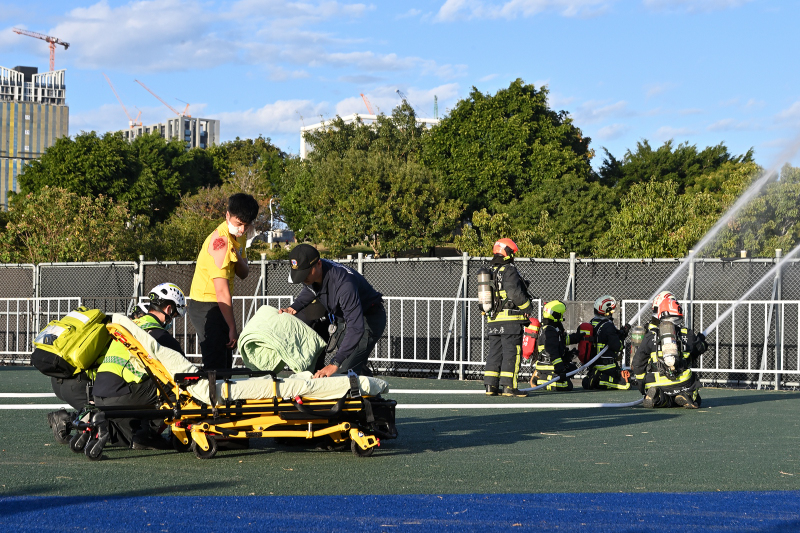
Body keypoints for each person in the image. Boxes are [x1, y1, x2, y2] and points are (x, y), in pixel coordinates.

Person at [93, 283, 187, 449]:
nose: (172, 320)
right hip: (121, 394)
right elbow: (184, 370)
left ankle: (96, 425)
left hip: (99, 394)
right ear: (168, 309)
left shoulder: (131, 326)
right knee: (176, 388)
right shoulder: (159, 335)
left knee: (127, 435)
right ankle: (148, 435)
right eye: (174, 315)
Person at [279, 244, 385, 378]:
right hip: (346, 318)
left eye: (305, 274)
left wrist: (334, 363)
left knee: (343, 372)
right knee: (354, 365)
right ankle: (369, 389)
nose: (303, 279)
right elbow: (310, 289)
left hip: (367, 319)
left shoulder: (344, 284)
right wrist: (293, 307)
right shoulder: (315, 273)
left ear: (318, 264)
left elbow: (356, 327)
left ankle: (367, 389)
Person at [187, 193, 259, 371]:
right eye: (239, 223)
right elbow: (221, 292)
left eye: (246, 225)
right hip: (206, 304)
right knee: (216, 367)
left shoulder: (240, 236)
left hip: (220, 304)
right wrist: (232, 327)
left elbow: (244, 273)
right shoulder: (220, 242)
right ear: (227, 215)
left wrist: (237, 258)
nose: (242, 229)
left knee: (225, 366)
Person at [632, 296, 708, 409]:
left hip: (656, 381)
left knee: (661, 397)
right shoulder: (687, 334)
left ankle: (658, 397)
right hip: (682, 382)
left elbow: (638, 363)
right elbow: (700, 349)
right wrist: (700, 340)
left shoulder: (650, 335)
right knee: (696, 398)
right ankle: (686, 395)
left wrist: (641, 384)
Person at [482, 238, 534, 397]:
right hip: (510, 321)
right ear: (508, 253)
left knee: (495, 353)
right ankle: (509, 387)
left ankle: (491, 387)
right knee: (512, 353)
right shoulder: (509, 270)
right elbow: (514, 293)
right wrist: (527, 307)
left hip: (493, 319)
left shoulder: (489, 270)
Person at [532, 300, 584, 391]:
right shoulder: (549, 331)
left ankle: (545, 377)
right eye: (561, 314)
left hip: (549, 364)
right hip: (549, 364)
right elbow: (552, 351)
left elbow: (562, 340)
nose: (562, 316)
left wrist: (577, 337)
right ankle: (543, 380)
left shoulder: (552, 328)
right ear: (556, 314)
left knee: (572, 368)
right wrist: (559, 367)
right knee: (567, 386)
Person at [582, 295, 631, 390]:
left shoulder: (592, 322)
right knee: (626, 384)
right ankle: (600, 379)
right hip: (607, 366)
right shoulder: (608, 326)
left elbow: (606, 337)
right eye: (611, 310)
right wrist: (622, 338)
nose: (612, 312)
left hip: (594, 364)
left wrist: (621, 333)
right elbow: (618, 346)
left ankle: (594, 377)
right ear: (607, 311)